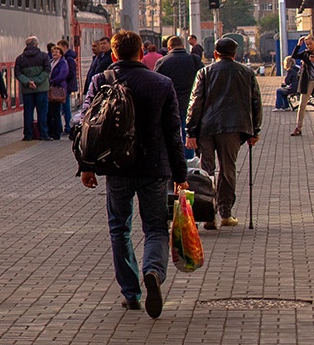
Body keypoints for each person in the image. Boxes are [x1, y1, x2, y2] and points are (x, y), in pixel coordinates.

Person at [77, 30, 190, 318]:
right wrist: (180, 173)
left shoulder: (100, 81)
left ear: (113, 55)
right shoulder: (162, 83)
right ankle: (152, 270)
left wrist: (87, 166)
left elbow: (86, 126)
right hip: (155, 168)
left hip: (116, 168)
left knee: (119, 229)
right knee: (154, 228)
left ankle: (131, 293)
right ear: (141, 53)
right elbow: (173, 135)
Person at [186, 35, 262, 229]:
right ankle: (225, 213)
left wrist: (190, 131)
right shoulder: (247, 73)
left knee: (206, 170)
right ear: (235, 55)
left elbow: (195, 103)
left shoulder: (205, 72)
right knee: (228, 170)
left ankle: (207, 214)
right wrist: (255, 130)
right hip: (233, 128)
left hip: (206, 128)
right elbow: (256, 103)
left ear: (215, 54)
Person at [156, 35, 202, 144]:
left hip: (170, 102)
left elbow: (156, 83)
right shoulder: (194, 60)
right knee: (188, 130)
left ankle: (176, 155)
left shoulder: (162, 62)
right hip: (191, 101)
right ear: (183, 46)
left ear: (169, 48)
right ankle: (189, 156)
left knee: (172, 131)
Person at [15, 36, 52, 140]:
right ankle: (43, 134)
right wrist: (37, 81)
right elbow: (47, 70)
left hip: (27, 90)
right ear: (36, 44)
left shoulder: (20, 58)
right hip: (41, 89)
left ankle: (28, 135)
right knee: (42, 113)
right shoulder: (44, 56)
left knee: (28, 113)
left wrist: (28, 82)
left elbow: (17, 73)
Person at [46, 43, 75, 139]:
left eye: (57, 52)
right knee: (51, 111)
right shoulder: (51, 61)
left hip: (57, 89)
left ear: (61, 54)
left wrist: (52, 81)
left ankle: (57, 132)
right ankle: (53, 131)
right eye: (53, 52)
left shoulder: (63, 63)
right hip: (51, 89)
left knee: (56, 111)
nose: (54, 53)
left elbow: (63, 75)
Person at [292, 37, 314, 136]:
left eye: (310, 44)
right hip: (308, 81)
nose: (309, 46)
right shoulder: (305, 54)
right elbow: (294, 55)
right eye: (307, 44)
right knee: (302, 104)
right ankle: (298, 127)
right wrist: (299, 45)